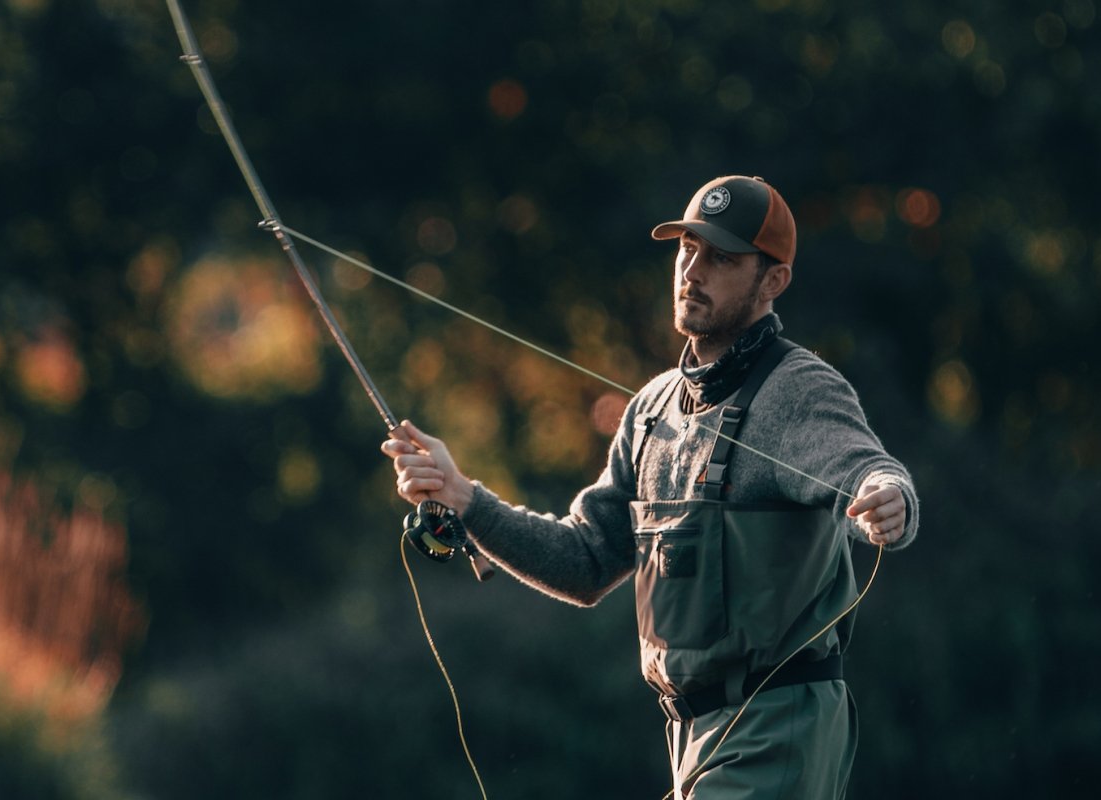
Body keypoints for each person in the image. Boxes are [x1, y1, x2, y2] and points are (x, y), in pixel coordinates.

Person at [381, 174, 918, 799]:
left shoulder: (799, 389)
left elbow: (867, 468)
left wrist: (889, 499)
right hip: (691, 741)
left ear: (773, 281)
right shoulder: (650, 409)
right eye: (687, 249)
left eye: (722, 257)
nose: (693, 269)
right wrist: (465, 499)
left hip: (780, 730)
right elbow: (585, 563)